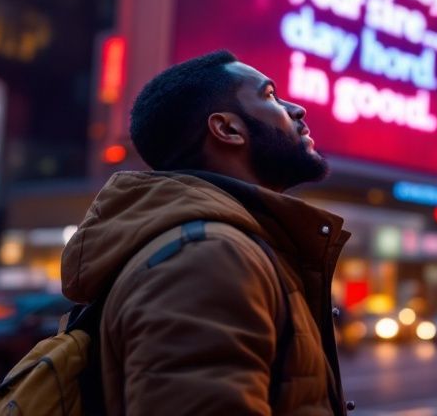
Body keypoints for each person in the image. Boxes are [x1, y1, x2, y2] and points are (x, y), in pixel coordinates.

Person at [60, 50, 352, 415]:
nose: (297, 110)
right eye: (270, 95)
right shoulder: (207, 256)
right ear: (227, 129)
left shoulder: (219, 245)